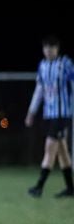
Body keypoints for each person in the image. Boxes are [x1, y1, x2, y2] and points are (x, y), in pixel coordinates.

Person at [25, 35, 74, 198]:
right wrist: (31, 112)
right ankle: (70, 188)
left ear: (57, 49)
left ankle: (39, 186)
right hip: (49, 114)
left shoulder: (65, 64)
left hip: (62, 114)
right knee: (62, 152)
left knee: (50, 147)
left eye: (51, 47)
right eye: (46, 47)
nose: (48, 50)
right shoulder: (43, 66)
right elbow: (39, 91)